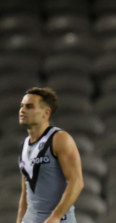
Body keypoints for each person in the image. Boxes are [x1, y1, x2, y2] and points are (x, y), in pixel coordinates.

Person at [16, 87, 84, 223]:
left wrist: (56, 216)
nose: (22, 110)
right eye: (22, 106)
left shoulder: (60, 139)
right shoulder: (24, 145)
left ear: (46, 113)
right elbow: (25, 193)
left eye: (29, 106)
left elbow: (77, 182)